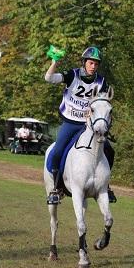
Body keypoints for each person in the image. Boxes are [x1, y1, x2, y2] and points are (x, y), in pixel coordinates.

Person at [44, 46, 116, 204]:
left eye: (96, 64)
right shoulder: (72, 75)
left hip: (88, 126)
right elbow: (49, 78)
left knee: (109, 150)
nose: (93, 66)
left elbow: (103, 104)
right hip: (70, 122)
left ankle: (106, 186)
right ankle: (56, 189)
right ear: (84, 63)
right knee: (57, 152)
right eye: (91, 63)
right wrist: (54, 62)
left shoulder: (101, 81)